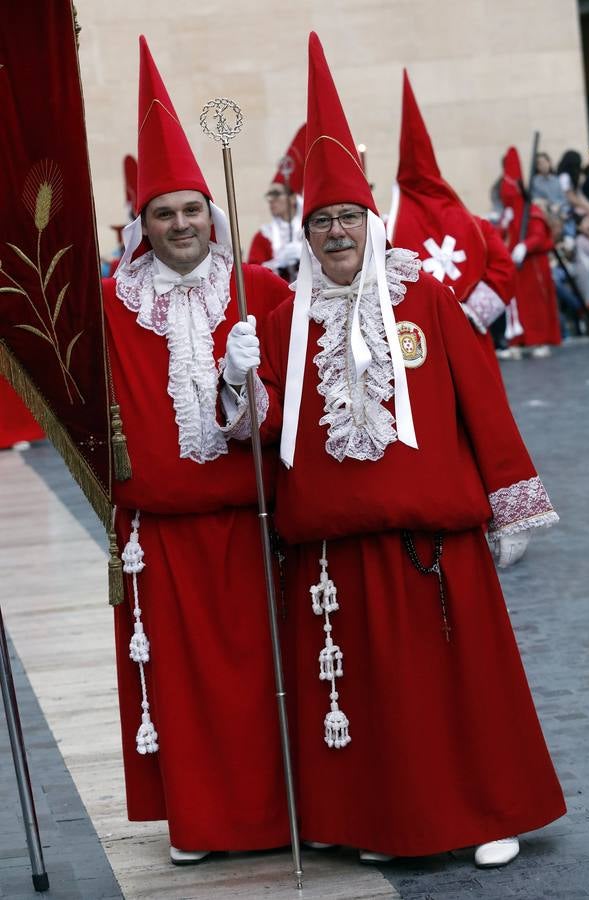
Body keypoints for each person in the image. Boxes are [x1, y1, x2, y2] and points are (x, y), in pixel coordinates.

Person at [225, 32, 566, 870]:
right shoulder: (279, 321)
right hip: (335, 554)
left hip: (435, 548)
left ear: (370, 221)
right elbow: (258, 430)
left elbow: (484, 404)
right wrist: (239, 380)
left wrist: (512, 497)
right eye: (322, 220)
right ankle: (381, 824)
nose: (336, 231)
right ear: (306, 233)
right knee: (367, 704)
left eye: (347, 216)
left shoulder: (427, 299)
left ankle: (491, 813)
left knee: (462, 691)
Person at [102, 36, 290, 866]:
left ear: (211, 215)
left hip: (254, 526)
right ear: (141, 225)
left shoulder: (264, 291)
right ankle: (204, 826)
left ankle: (283, 816)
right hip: (160, 539)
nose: (179, 225)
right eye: (161, 213)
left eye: (190, 210)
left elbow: (289, 417)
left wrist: (246, 384)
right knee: (183, 690)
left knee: (261, 682)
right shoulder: (109, 306)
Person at [388, 70, 515, 378]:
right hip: (469, 336)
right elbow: (504, 270)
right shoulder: (477, 226)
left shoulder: (386, 228)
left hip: (415, 344)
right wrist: (469, 312)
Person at [500, 147, 562, 357]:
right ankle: (516, 343)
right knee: (516, 307)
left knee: (535, 305)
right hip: (515, 267)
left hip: (533, 264)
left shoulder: (530, 208)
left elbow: (537, 234)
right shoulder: (509, 212)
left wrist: (524, 246)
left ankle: (540, 341)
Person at [247, 125, 306, 281]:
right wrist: (278, 263)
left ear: (293, 198)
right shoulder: (263, 236)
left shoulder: (311, 229)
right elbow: (253, 274)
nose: (271, 200)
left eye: (276, 194)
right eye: (269, 195)